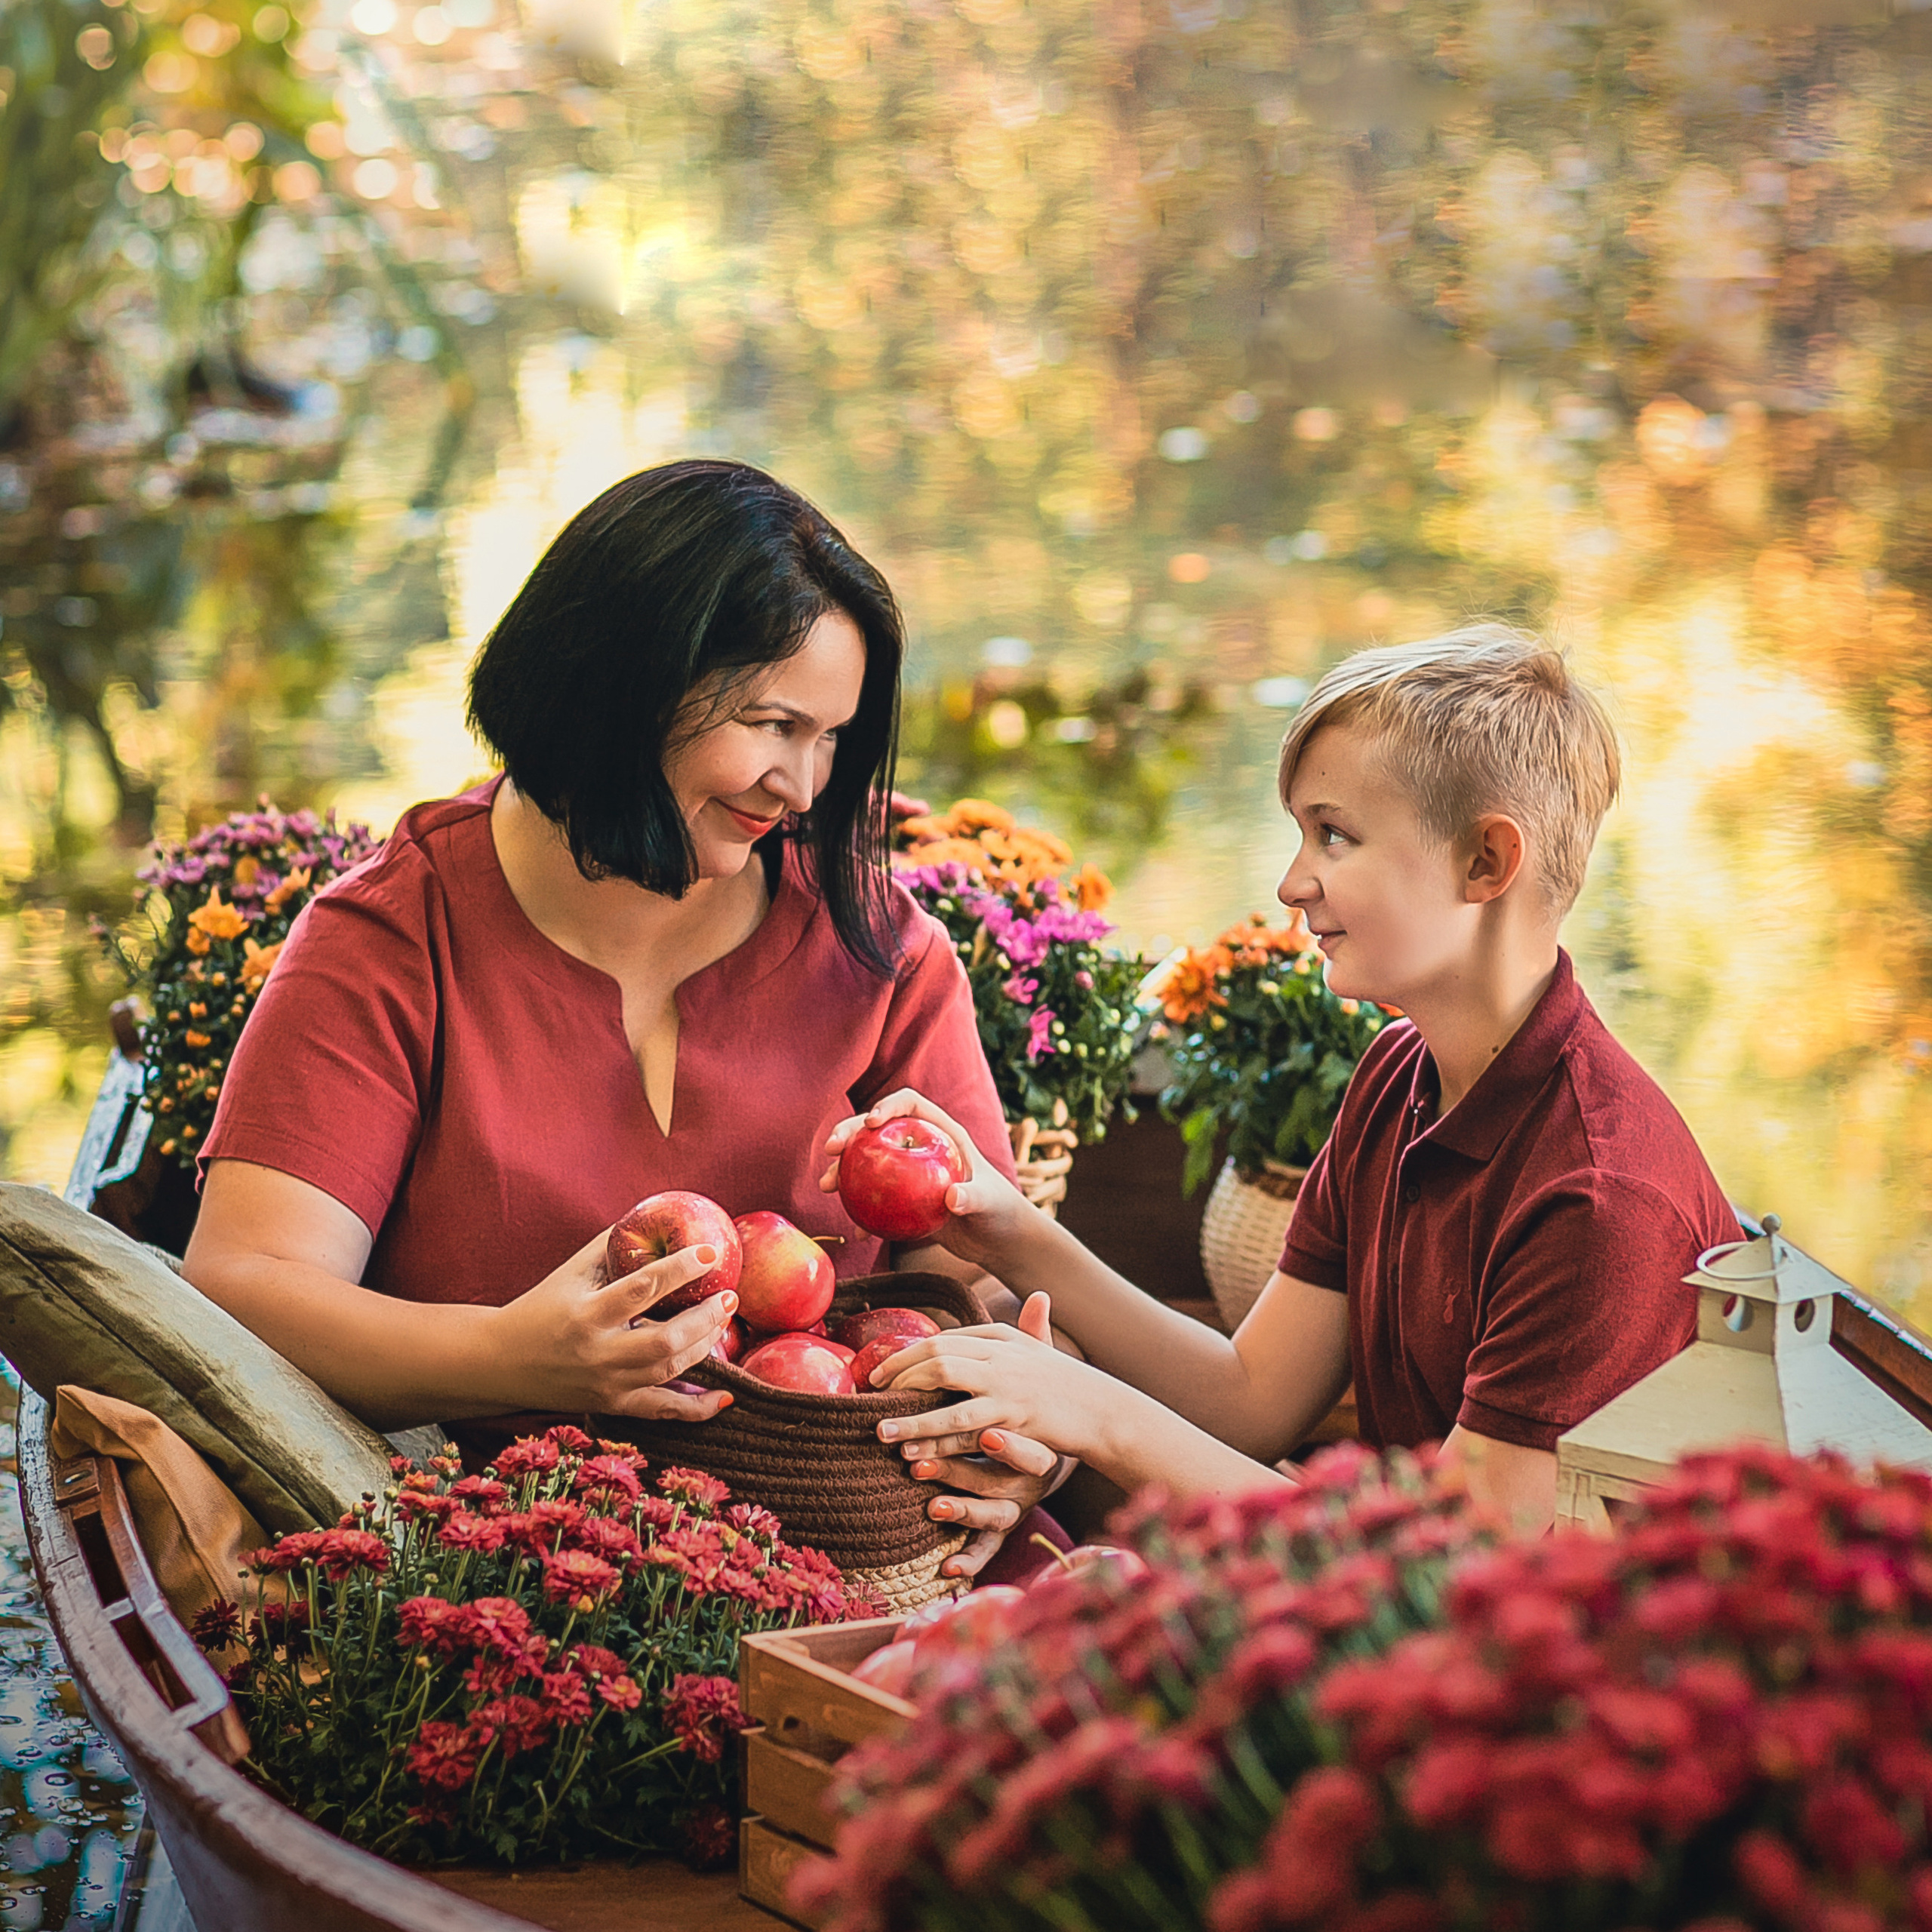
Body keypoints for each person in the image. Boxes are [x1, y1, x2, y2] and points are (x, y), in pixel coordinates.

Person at [185, 458, 1041, 1577]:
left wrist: (1029, 1452)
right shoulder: (394, 940)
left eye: (832, 738)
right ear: (625, 685)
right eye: (774, 724)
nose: (804, 786)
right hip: (511, 1578)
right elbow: (242, 1290)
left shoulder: (879, 949)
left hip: (869, 1546)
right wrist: (510, 1357)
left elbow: (987, 1298)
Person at [824, 624, 1743, 1534]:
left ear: (1485, 862)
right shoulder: (1399, 1074)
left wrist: (1090, 1409)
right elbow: (1250, 1396)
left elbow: (1453, 1571)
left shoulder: (1598, 1198)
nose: (1291, 882)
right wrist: (1006, 1232)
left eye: (1333, 837)